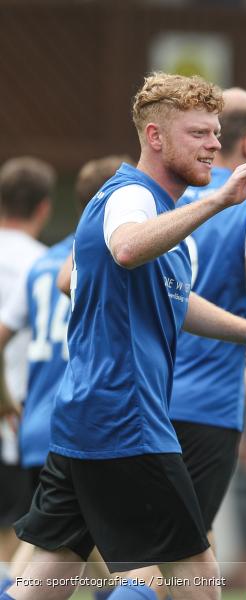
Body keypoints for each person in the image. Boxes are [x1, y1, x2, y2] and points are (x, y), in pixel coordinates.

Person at [4, 72, 246, 600]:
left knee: (41, 583)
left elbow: (174, 300)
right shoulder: (131, 197)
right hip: (125, 418)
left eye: (216, 132)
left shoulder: (163, 211)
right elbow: (128, 248)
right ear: (155, 137)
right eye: (198, 134)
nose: (214, 145)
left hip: (92, 415)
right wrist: (221, 202)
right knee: (195, 580)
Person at [0, 156, 130, 597]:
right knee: (110, 552)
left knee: (54, 544)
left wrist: (5, 398)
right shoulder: (106, 256)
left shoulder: (44, 264)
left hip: (34, 418)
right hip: (82, 415)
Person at [0, 157, 55, 589]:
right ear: (44, 208)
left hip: (20, 416)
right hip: (21, 413)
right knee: (16, 529)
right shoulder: (46, 265)